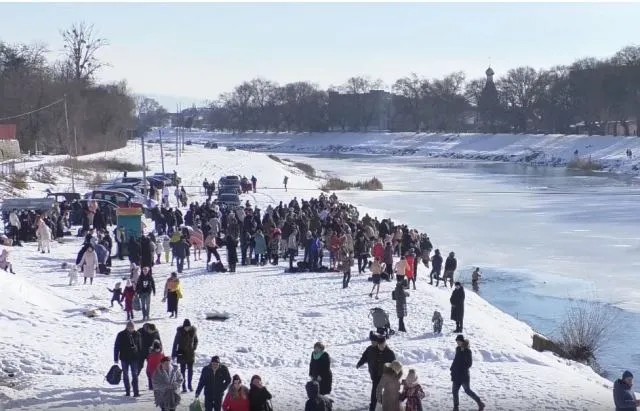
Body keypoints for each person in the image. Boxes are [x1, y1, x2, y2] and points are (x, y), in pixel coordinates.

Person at [357, 335, 396, 411]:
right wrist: (360, 363)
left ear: (385, 343)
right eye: (379, 345)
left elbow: (394, 365)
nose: (381, 346)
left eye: (383, 345)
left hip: (385, 377)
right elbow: (365, 356)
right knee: (375, 392)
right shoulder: (371, 349)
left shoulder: (390, 353)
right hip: (375, 375)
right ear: (377, 343)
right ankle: (372, 407)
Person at [450, 335, 485, 411]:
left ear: (462, 341)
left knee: (467, 390)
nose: (457, 343)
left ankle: (480, 403)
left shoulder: (468, 351)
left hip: (464, 375)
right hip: (456, 374)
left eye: (458, 341)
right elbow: (456, 360)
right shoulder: (458, 349)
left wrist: (463, 353)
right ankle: (456, 408)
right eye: (457, 341)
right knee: (454, 391)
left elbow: (469, 364)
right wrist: (452, 368)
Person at [113, 321, 142, 397]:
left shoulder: (137, 334)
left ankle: (136, 392)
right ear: (127, 327)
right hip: (124, 358)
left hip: (134, 357)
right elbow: (117, 347)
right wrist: (116, 358)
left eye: (132, 327)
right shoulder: (121, 334)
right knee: (125, 375)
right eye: (130, 327)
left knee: (134, 375)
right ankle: (127, 391)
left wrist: (140, 357)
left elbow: (140, 346)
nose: (131, 328)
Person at [172, 319, 198, 393]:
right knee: (182, 371)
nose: (187, 328)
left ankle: (189, 385)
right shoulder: (179, 332)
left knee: (190, 371)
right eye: (186, 327)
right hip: (182, 354)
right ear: (183, 327)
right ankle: (183, 386)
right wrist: (174, 354)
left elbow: (196, 340)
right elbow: (175, 343)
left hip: (190, 354)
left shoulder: (193, 331)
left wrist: (194, 347)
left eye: (188, 327)